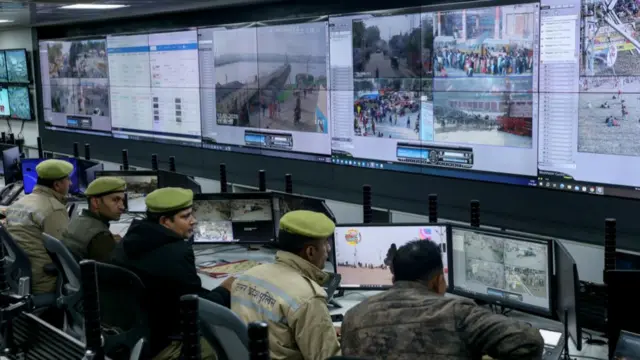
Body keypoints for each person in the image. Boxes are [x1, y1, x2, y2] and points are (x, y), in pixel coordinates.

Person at [341, 239, 544, 360]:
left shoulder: (353, 317)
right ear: (438, 281)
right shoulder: (457, 313)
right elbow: (530, 342)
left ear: (394, 279)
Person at [110, 187, 233, 360]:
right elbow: (196, 309)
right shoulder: (177, 253)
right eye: (185, 216)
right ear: (165, 221)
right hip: (165, 344)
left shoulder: (131, 239)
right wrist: (225, 290)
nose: (194, 221)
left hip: (132, 337)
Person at [231, 210, 341, 360]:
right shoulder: (308, 298)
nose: (328, 249)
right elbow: (328, 358)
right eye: (325, 243)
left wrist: (323, 329)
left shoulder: (246, 277)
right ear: (310, 252)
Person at [5, 159, 73, 294]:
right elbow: (64, 251)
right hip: (46, 281)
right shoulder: (54, 209)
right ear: (57, 185)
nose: (70, 183)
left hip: (18, 277)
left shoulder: (19, 203)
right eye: (68, 179)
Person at [63, 177, 126, 261]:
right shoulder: (100, 237)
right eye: (115, 200)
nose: (122, 207)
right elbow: (113, 272)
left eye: (122, 200)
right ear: (95, 202)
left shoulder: (77, 220)